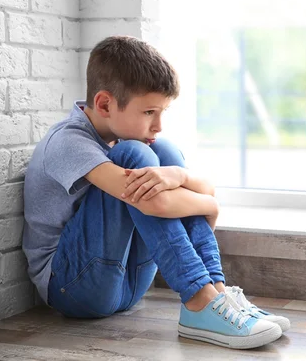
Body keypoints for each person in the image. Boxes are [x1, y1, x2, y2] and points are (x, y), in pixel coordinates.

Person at [22, 36, 290, 349]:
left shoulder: (125, 135)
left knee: (163, 153)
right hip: (73, 288)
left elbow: (202, 188)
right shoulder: (68, 142)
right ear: (105, 104)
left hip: (127, 285)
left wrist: (178, 175)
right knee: (135, 157)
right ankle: (198, 299)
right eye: (150, 112)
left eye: (162, 112)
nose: (159, 124)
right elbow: (159, 203)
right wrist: (210, 206)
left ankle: (216, 294)